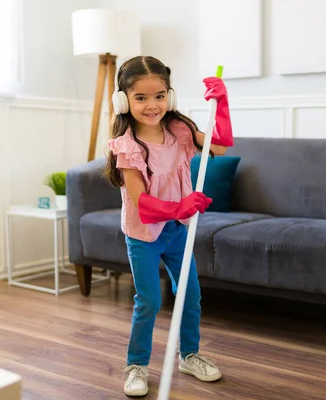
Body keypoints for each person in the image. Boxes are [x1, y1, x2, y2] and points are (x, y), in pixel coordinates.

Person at [103, 55, 233, 397]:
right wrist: (182, 205)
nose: (152, 105)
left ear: (170, 96)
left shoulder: (180, 131)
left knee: (190, 293)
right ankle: (137, 365)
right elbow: (143, 205)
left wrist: (222, 105)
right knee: (147, 301)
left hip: (178, 231)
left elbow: (219, 144)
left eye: (159, 96)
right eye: (141, 97)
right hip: (144, 235)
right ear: (123, 100)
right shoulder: (127, 147)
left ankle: (189, 355)